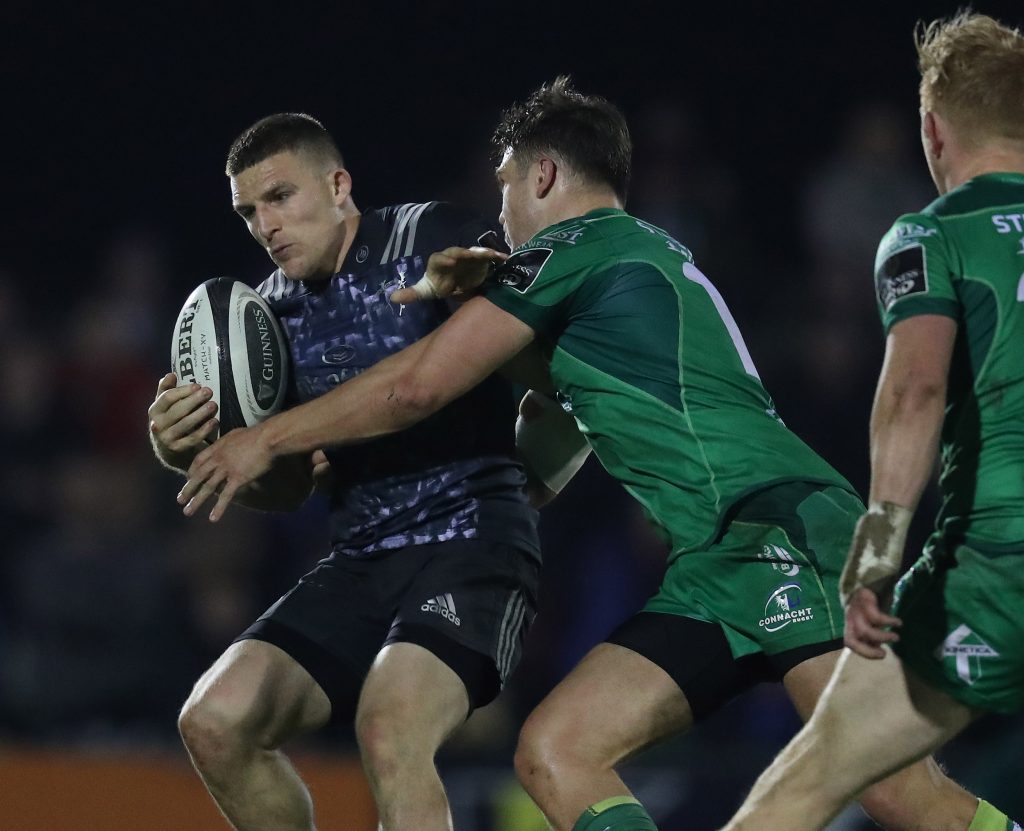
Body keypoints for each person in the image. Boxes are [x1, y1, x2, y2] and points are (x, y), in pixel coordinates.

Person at [176, 81, 1008, 831]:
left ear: (540, 178)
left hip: (777, 527)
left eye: (503, 188)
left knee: (898, 793)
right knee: (555, 750)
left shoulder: (577, 249)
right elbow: (561, 406)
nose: (496, 214)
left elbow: (417, 387)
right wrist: (524, 463)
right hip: (715, 560)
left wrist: (268, 435)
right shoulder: (619, 253)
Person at [148, 112, 543, 831]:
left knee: (390, 727)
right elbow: (291, 483)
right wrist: (190, 447)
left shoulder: (430, 238)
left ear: (338, 185)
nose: (265, 224)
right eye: (247, 211)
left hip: (473, 542)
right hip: (362, 559)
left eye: (279, 197)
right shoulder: (267, 315)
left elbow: (419, 386)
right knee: (216, 719)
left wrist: (266, 436)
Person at [717, 12, 1024, 831]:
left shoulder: (933, 234)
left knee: (801, 785)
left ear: (932, 129)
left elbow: (914, 393)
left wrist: (876, 554)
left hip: (999, 565)